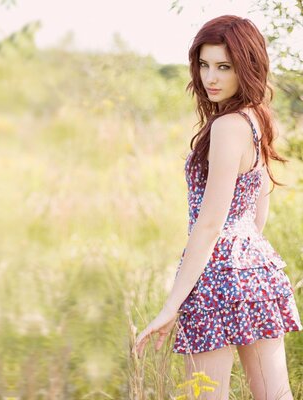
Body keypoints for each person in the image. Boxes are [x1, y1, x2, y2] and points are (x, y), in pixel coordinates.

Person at [133, 15, 302, 400]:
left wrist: (170, 306)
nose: (211, 77)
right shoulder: (257, 119)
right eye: (205, 65)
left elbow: (210, 224)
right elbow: (258, 213)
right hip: (258, 271)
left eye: (224, 67)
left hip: (217, 277)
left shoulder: (228, 126)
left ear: (248, 66)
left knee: (204, 395)